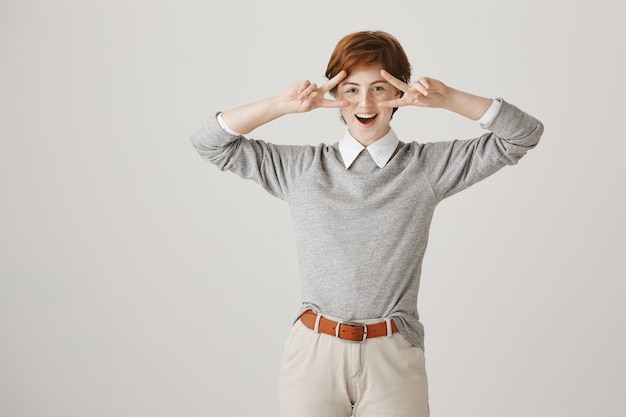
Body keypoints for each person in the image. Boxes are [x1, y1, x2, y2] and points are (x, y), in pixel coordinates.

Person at [190, 30, 543, 417]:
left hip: (393, 351)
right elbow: (209, 142)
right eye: (351, 89)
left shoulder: (425, 168)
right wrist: (280, 105)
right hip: (314, 354)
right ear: (334, 95)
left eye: (379, 88)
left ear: (400, 95)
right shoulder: (301, 169)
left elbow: (523, 134)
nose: (365, 102)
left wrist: (449, 99)